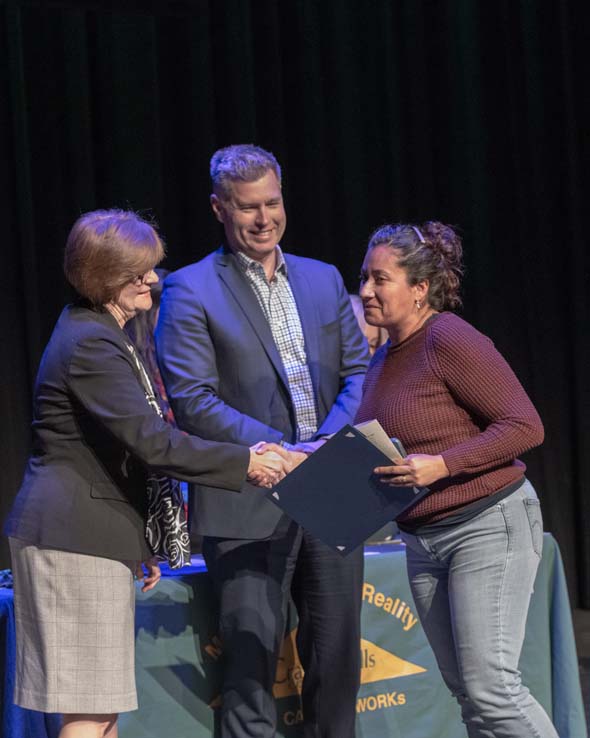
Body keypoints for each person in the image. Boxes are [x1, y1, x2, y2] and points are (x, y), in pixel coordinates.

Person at [3, 209, 293, 738]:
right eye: (137, 273)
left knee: (101, 708)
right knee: (88, 711)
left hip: (92, 537)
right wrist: (246, 463)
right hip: (72, 538)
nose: (153, 280)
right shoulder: (90, 343)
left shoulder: (102, 334)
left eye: (150, 268)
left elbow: (120, 455)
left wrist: (141, 541)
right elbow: (153, 443)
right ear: (102, 276)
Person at [155, 144, 369, 738]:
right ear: (219, 208)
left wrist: (326, 441)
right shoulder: (191, 289)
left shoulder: (322, 278)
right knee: (251, 672)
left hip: (332, 487)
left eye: (272, 203)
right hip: (249, 499)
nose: (263, 219)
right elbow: (194, 399)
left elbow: (359, 372)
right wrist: (283, 450)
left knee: (339, 663)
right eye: (247, 207)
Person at [355, 221, 558, 738]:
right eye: (364, 278)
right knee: (467, 693)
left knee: (492, 688)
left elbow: (524, 425)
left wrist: (444, 464)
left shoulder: (447, 337)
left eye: (380, 279)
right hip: (423, 541)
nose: (366, 291)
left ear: (419, 289)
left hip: (487, 525)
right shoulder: (383, 357)